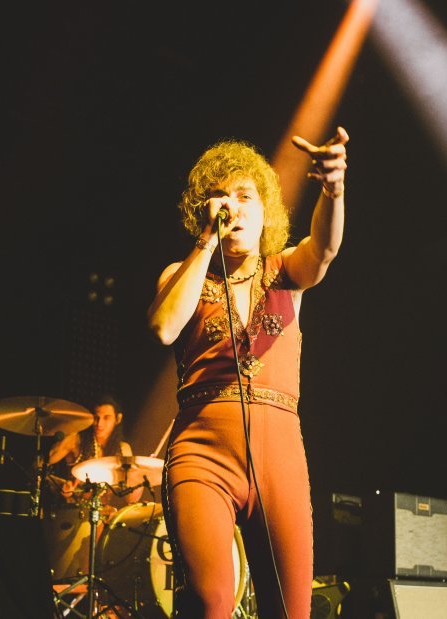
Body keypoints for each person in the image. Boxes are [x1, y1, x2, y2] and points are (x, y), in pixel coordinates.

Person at [147, 127, 348, 618]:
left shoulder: (285, 271)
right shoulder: (181, 274)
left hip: (281, 458)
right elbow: (164, 327)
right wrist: (206, 242)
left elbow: (323, 250)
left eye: (244, 196)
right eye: (220, 196)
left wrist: (333, 192)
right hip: (202, 454)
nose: (232, 206)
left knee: (291, 610)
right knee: (210, 601)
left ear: (265, 213)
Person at [47, 394, 145, 505]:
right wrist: (62, 486)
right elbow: (40, 465)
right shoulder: (76, 441)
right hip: (73, 510)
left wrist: (140, 477)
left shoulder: (123, 449)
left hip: (106, 513)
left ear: (118, 419)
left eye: (106, 418)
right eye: (96, 417)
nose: (99, 423)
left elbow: (130, 499)